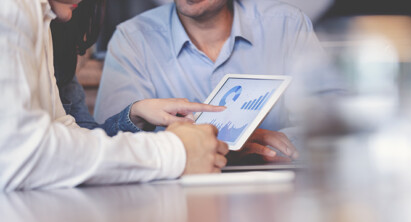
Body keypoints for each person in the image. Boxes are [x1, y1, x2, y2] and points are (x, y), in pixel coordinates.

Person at [0, 0, 228, 191]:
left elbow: (67, 131)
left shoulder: (43, 17)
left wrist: (135, 114)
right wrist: (175, 151)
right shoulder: (14, 7)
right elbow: (20, 153)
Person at [94, 0, 344, 163]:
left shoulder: (287, 25)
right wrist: (220, 144)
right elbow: (109, 144)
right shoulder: (132, 39)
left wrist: (273, 143)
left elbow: (332, 122)